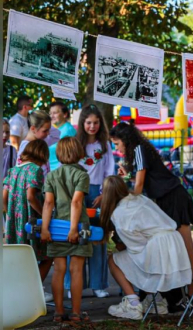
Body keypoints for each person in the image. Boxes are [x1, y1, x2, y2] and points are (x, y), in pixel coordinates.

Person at [109, 121, 193, 308]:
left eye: (117, 144)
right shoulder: (140, 151)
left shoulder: (139, 151)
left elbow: (140, 186)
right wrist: (128, 176)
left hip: (173, 197)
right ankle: (183, 292)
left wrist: (123, 194)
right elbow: (147, 179)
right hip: (167, 196)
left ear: (125, 140)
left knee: (186, 245)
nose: (117, 148)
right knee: (179, 245)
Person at [99, 175, 193, 320]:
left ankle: (133, 303)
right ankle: (156, 300)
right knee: (139, 262)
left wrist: (119, 247)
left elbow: (135, 246)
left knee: (114, 260)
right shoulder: (139, 198)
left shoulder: (119, 213)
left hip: (158, 245)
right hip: (174, 242)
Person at [64, 104, 114, 298]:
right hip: (77, 193)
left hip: (98, 193)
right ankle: (72, 284)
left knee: (98, 238)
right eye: (89, 122)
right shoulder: (76, 144)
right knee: (74, 236)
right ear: (82, 123)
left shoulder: (105, 145)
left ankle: (98, 284)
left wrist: (104, 194)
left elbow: (109, 170)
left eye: (96, 122)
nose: (92, 126)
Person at [41, 137, 92, 323]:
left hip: (56, 227)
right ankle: (76, 313)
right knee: (76, 269)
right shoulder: (82, 175)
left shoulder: (51, 176)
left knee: (59, 270)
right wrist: (73, 229)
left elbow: (48, 203)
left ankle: (58, 312)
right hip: (77, 228)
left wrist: (45, 228)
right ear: (79, 153)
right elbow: (76, 202)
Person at [3, 139, 54, 301]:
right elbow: (31, 197)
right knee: (46, 257)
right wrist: (44, 214)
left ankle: (17, 292)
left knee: (20, 258)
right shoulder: (35, 170)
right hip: (31, 223)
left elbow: (3, 198)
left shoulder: (12, 171)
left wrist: (10, 214)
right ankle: (34, 290)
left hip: (13, 223)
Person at [17, 110, 53, 177]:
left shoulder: (39, 142)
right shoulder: (26, 147)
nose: (48, 133)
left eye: (49, 129)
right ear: (33, 128)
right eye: (45, 131)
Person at [48, 101, 77, 171]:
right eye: (50, 113)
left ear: (65, 114)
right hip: (50, 170)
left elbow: (69, 155)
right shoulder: (55, 129)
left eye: (55, 113)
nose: (52, 116)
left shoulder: (68, 130)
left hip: (59, 172)